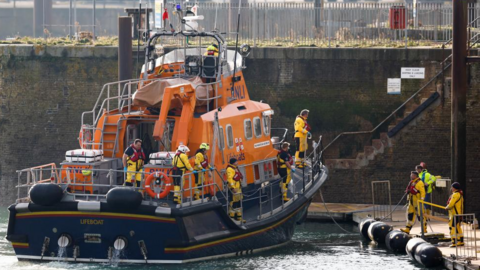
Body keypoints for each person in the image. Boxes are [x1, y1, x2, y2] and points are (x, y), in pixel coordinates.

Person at [445, 182, 464, 247]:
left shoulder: (455, 195)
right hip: (458, 214)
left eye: (452, 187)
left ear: (454, 188)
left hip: (454, 214)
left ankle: (454, 242)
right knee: (458, 227)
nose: (451, 188)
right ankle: (461, 241)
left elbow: (451, 204)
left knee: (452, 228)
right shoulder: (460, 194)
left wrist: (447, 207)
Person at [226, 158, 244, 222]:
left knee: (239, 202)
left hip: (238, 188)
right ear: (233, 162)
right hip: (234, 189)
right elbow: (230, 179)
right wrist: (233, 187)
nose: (237, 162)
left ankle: (239, 218)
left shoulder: (235, 168)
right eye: (236, 162)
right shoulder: (229, 169)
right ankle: (232, 219)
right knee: (233, 203)